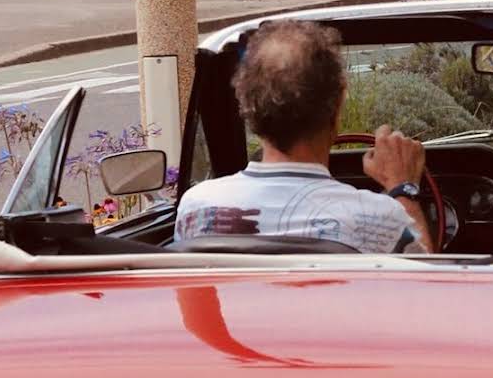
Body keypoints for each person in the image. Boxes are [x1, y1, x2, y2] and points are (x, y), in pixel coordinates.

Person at [174, 20, 433, 254]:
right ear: (338, 103)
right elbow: (431, 290)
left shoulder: (197, 208)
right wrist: (403, 188)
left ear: (247, 104)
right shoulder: (380, 219)